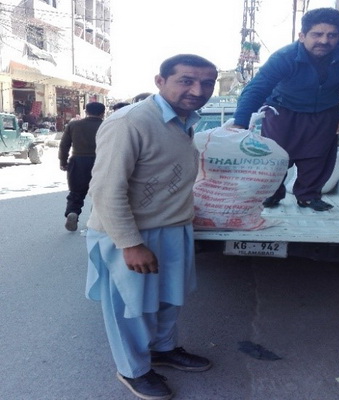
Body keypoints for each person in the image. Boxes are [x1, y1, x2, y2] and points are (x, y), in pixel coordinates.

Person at [85, 54, 218, 400]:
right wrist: (130, 244)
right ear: (160, 82)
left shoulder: (185, 120)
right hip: (132, 232)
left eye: (206, 83)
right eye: (186, 80)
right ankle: (133, 370)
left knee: (168, 299)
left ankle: (163, 350)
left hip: (173, 228)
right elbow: (106, 189)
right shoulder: (129, 122)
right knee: (132, 308)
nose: (197, 90)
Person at [233, 7, 339, 211]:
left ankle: (308, 196)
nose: (324, 41)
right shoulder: (284, 57)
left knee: (318, 157)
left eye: (331, 35)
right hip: (283, 111)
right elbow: (257, 88)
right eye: (317, 34)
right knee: (275, 156)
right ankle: (271, 194)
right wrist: (239, 123)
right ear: (302, 35)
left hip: (325, 112)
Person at [58, 102, 105, 231]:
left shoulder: (73, 125)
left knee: (76, 192)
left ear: (86, 112)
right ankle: (95, 220)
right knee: (100, 193)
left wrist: (63, 162)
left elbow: (64, 145)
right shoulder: (106, 125)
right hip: (101, 162)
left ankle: (73, 212)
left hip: (78, 161)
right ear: (102, 113)